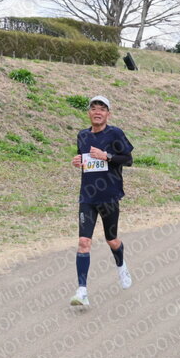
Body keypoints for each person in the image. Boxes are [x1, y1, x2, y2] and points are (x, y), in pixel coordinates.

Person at [69, 96, 134, 306]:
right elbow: (85, 160)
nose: (98, 112)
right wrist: (78, 161)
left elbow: (128, 159)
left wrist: (106, 156)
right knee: (83, 242)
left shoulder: (115, 134)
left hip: (109, 196)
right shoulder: (82, 135)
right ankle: (82, 291)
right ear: (89, 113)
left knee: (111, 240)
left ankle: (121, 266)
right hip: (87, 197)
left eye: (102, 109)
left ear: (108, 114)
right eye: (94, 108)